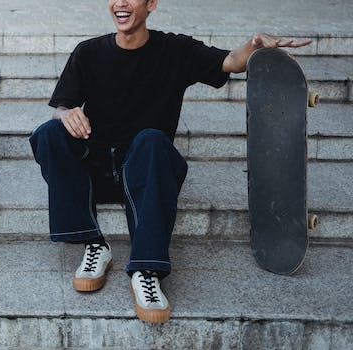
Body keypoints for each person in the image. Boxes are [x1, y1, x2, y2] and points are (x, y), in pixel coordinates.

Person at [29, 0, 311, 323]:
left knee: (151, 139)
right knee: (50, 132)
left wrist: (255, 45)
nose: (120, 3)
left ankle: (146, 270)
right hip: (96, 172)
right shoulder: (87, 52)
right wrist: (68, 115)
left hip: (146, 175)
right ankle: (93, 243)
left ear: (151, 4)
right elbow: (61, 107)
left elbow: (230, 61)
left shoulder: (174, 50)